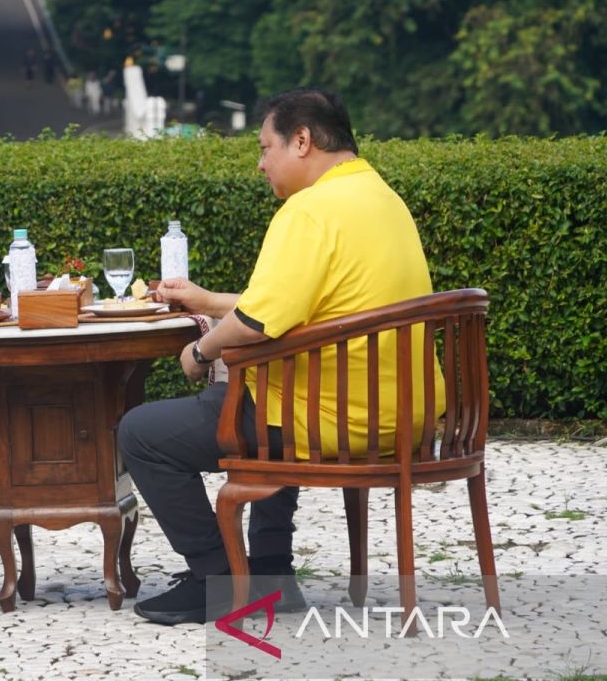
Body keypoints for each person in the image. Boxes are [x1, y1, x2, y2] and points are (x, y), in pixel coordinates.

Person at [118, 87, 437, 625]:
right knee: (272, 391)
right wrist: (204, 300)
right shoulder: (380, 196)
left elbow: (257, 323)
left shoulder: (308, 210)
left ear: (303, 141)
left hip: (336, 419)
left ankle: (216, 579)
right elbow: (296, 306)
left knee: (141, 433)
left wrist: (198, 350)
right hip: (404, 413)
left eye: (266, 148)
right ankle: (269, 571)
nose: (261, 163)